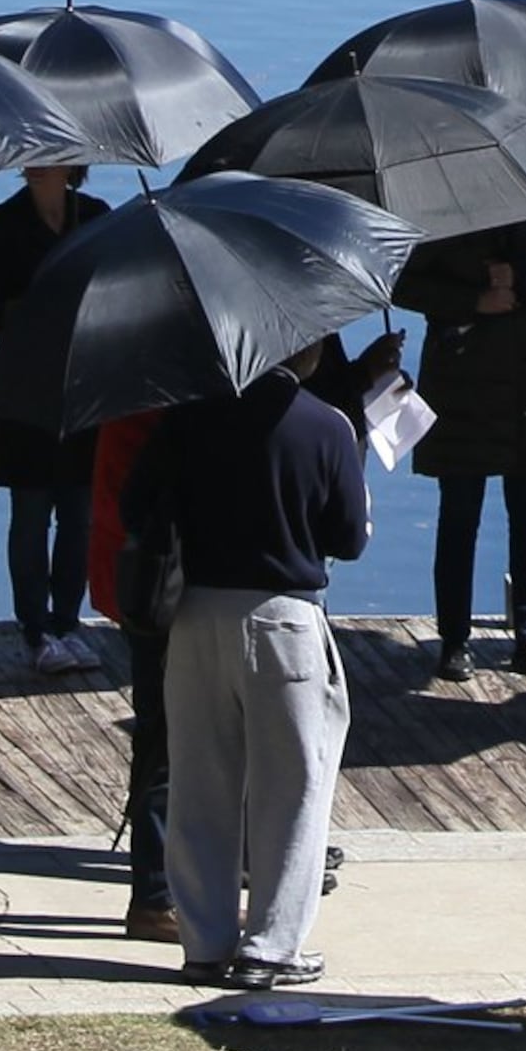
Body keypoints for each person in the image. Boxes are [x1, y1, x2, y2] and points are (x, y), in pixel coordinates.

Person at [121, 338, 372, 989]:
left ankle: (204, 941)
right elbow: (348, 536)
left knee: (201, 785)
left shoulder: (187, 415)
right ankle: (271, 943)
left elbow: (135, 504)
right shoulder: (327, 424)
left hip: (196, 616)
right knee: (293, 786)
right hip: (283, 615)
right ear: (308, 344)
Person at [403, 212, 526, 684]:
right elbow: (403, 284)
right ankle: (455, 640)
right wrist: (473, 301)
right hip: (462, 383)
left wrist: (522, 280)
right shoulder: (439, 217)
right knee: (460, 515)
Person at [0, 164, 109, 675]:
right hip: (23, 384)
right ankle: (35, 630)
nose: (34, 163)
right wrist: (39, 305)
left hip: (83, 384)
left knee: (79, 512)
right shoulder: (0, 222)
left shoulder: (96, 217)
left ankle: (68, 621)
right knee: (30, 511)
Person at [87, 409, 179, 941]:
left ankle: (165, 885)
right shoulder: (160, 409)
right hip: (156, 584)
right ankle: (155, 895)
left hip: (138, 576)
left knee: (162, 737)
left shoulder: (136, 390)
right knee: (164, 743)